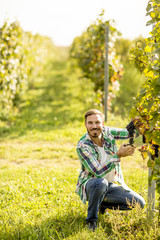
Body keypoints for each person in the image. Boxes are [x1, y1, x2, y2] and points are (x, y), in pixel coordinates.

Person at [75, 109, 145, 231]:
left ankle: (101, 203)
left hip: (109, 185)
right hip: (91, 184)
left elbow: (128, 134)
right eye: (90, 123)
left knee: (139, 203)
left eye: (97, 122)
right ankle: (91, 220)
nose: (94, 126)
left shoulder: (107, 132)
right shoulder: (83, 146)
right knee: (100, 183)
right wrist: (118, 155)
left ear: (102, 123)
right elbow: (97, 172)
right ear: (85, 124)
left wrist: (138, 125)